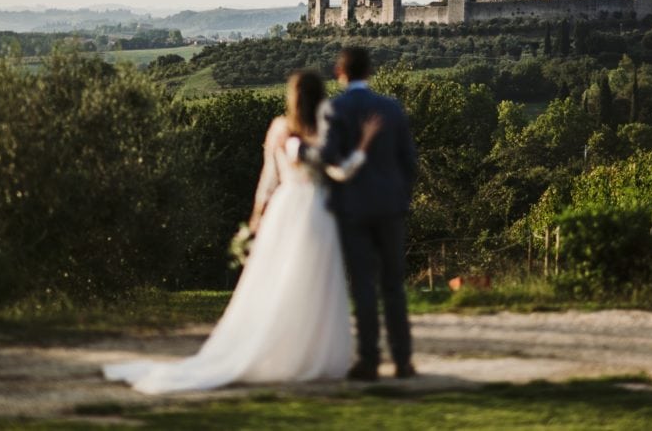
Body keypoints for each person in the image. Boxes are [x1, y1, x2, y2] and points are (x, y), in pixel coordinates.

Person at [103, 70, 378, 394]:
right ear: (322, 97)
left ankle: (279, 349)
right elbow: (342, 172)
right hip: (317, 210)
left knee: (276, 278)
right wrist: (364, 142)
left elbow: (268, 179)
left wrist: (256, 218)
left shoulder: (279, 128)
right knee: (316, 279)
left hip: (284, 207)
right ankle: (310, 354)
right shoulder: (327, 132)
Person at [297, 46, 419, 380]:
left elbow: (330, 157)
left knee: (363, 285)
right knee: (394, 285)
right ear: (370, 72)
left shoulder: (334, 109)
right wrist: (400, 197)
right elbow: (409, 161)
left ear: (340, 71)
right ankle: (403, 360)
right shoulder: (391, 108)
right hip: (391, 207)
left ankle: (369, 360)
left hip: (352, 208)